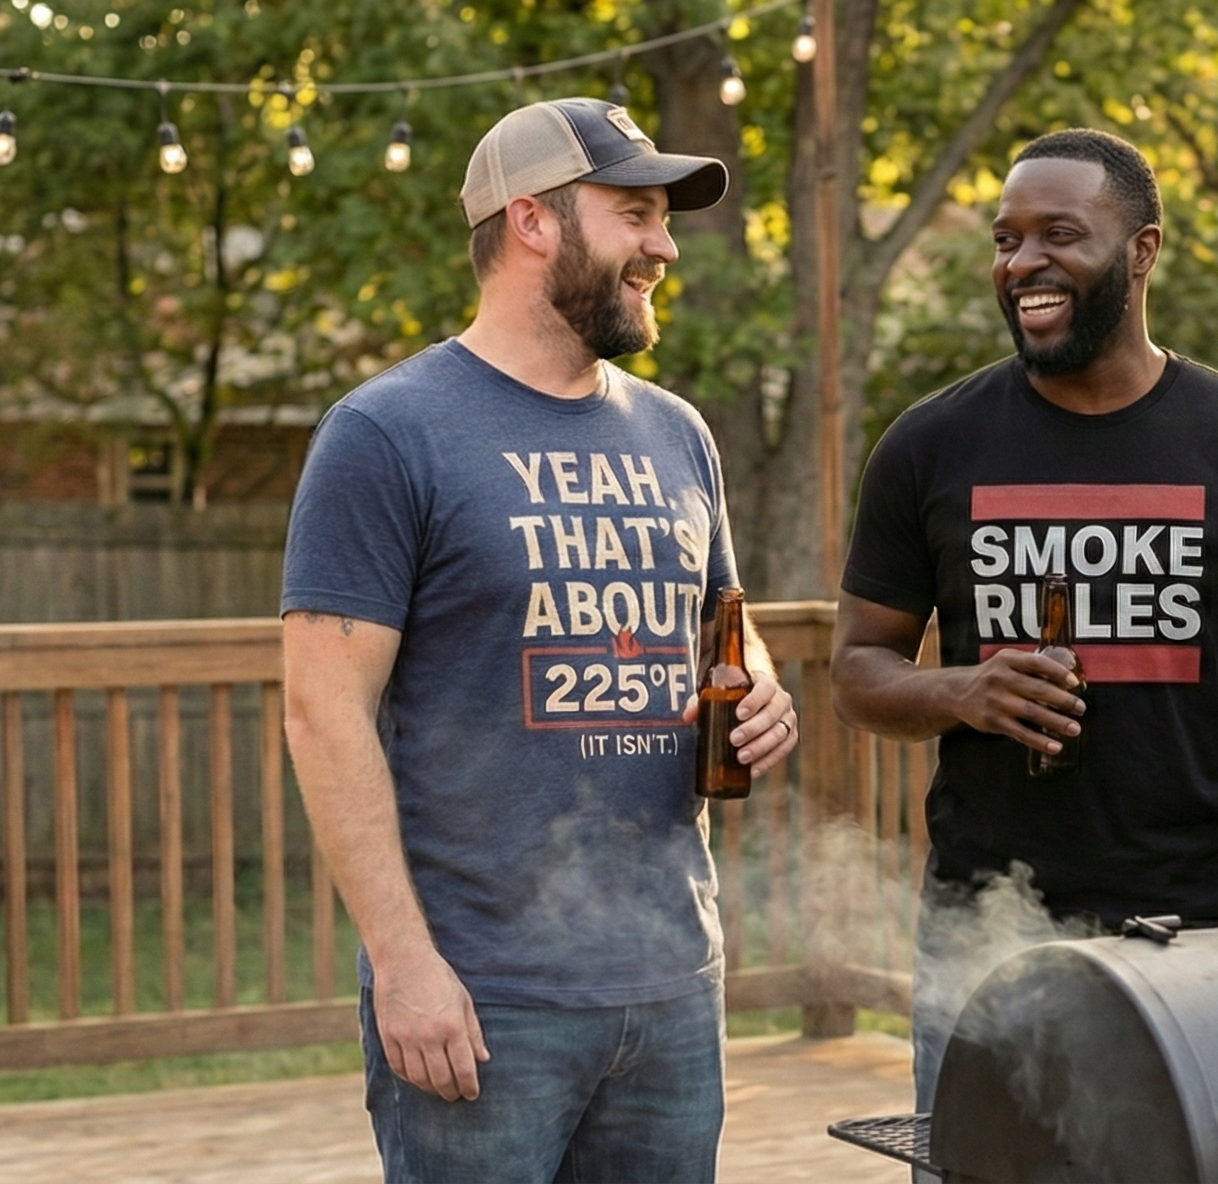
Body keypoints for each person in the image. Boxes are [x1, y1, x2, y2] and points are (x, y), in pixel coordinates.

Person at [280, 97, 801, 1184]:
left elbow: (724, 624)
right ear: (532, 220)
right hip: (484, 998)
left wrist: (760, 687)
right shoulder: (386, 433)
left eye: (664, 221)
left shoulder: (678, 432)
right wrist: (404, 964)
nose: (663, 247)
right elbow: (324, 712)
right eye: (635, 215)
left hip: (670, 983)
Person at [829, 128, 1218, 1108]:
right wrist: (962, 690)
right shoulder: (929, 444)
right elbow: (857, 668)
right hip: (984, 936)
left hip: (1191, 931)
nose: (1023, 261)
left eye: (1058, 234)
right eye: (1006, 239)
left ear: (1142, 250)